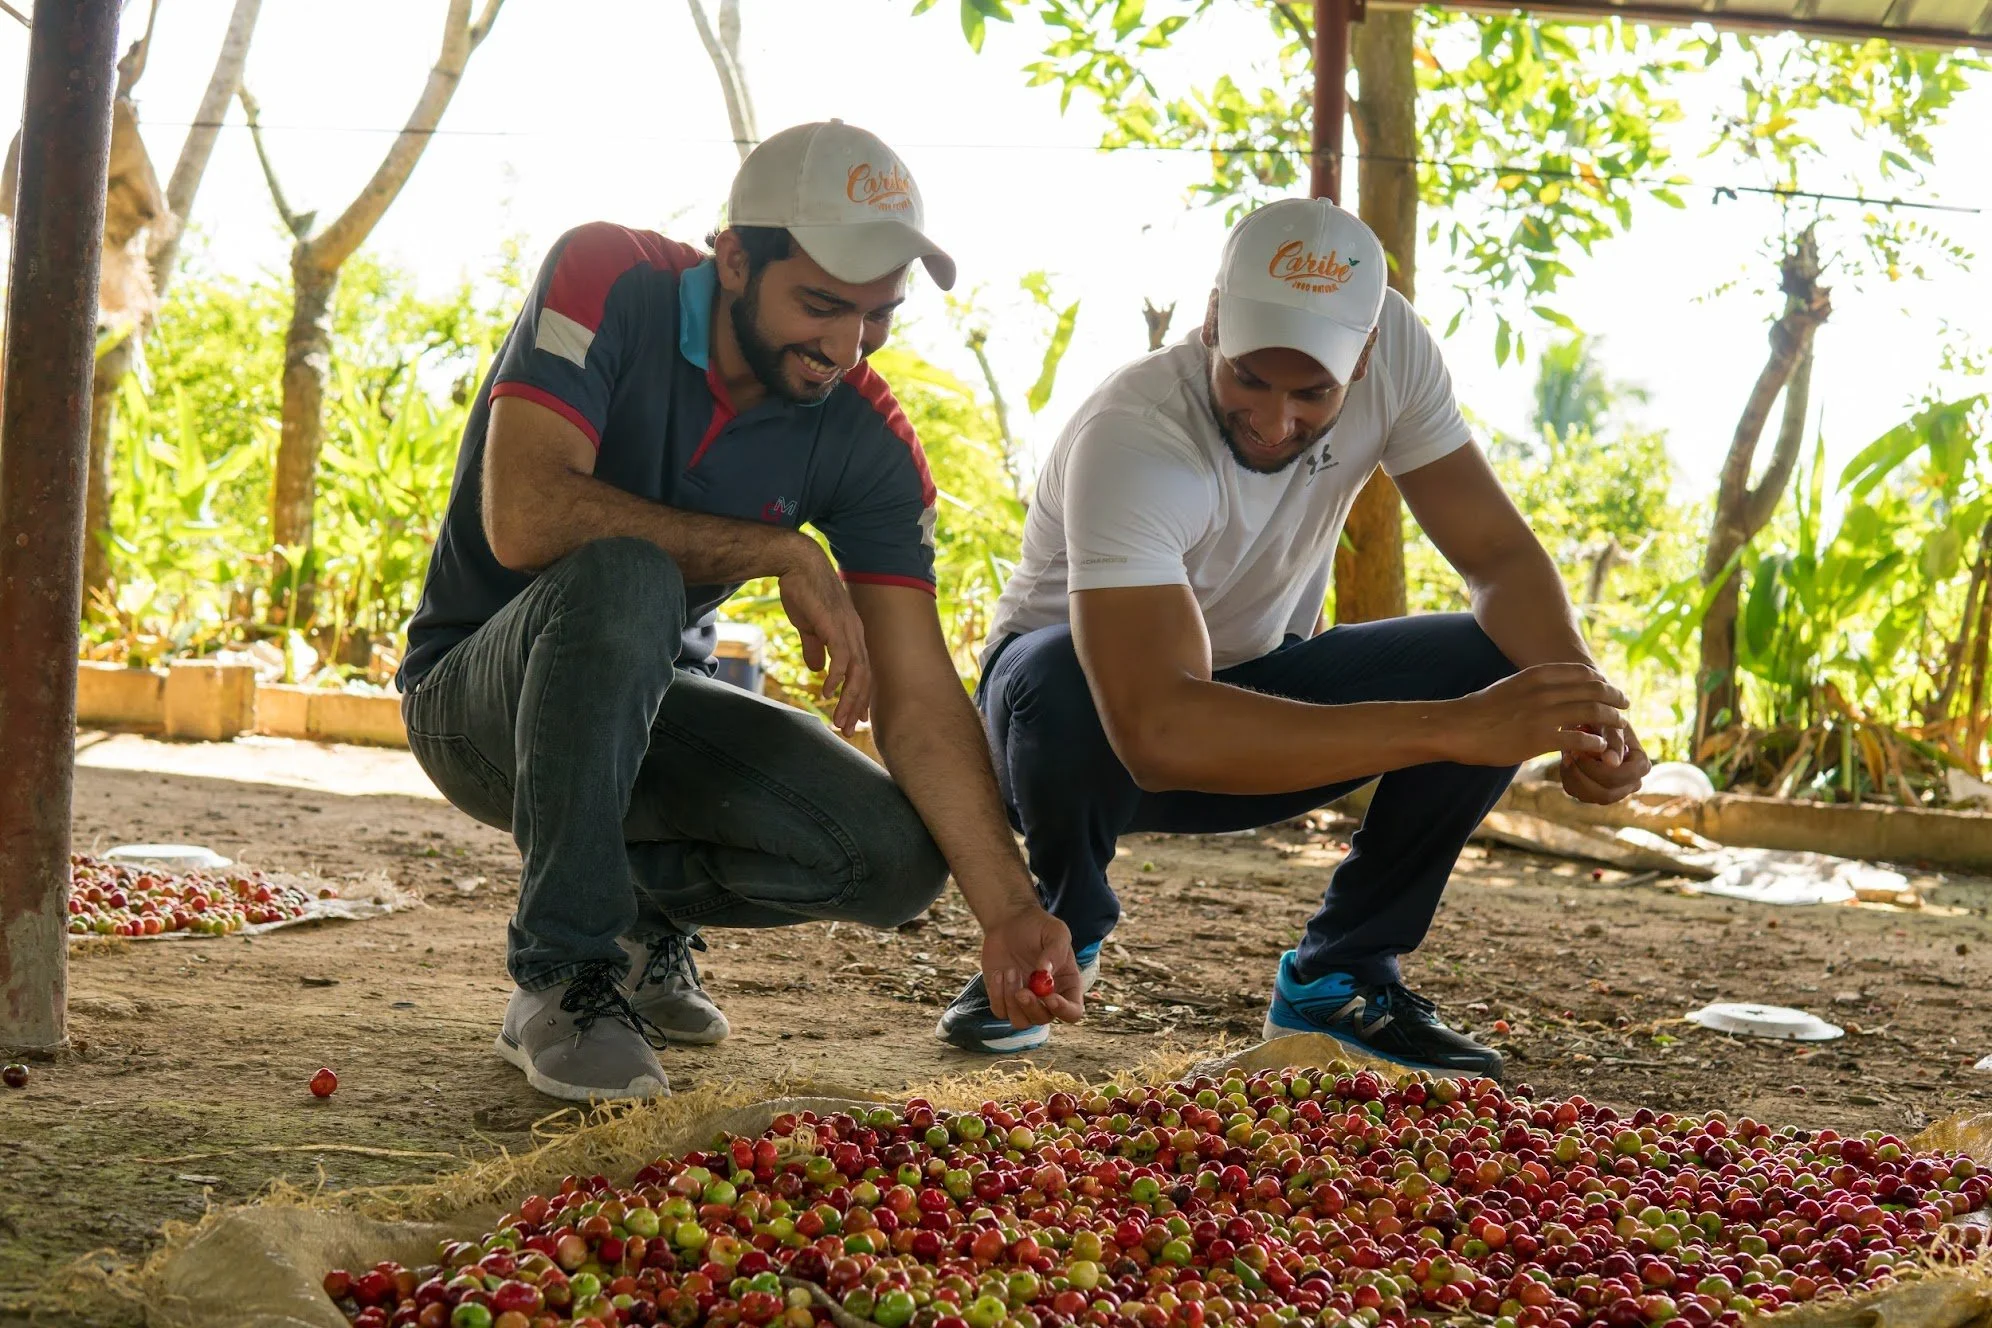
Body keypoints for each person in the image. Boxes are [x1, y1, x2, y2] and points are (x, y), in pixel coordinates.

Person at [400, 121, 1083, 1102]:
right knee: (625, 573)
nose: (846, 347)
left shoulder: (868, 441)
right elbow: (526, 512)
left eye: (877, 315)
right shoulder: (607, 276)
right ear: (733, 259)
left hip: (650, 709)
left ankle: (641, 920)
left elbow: (922, 695)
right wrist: (776, 549)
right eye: (819, 305)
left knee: (891, 859)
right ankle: (564, 974)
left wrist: (1011, 909)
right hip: (477, 701)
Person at [940, 198, 1651, 1074]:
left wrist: (1585, 709)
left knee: (1501, 660)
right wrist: (1461, 728)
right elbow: (1157, 734)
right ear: (1210, 324)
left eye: (1311, 393)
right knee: (1060, 671)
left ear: (1365, 356)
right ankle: (1056, 933)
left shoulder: (1399, 355)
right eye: (1248, 379)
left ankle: (1341, 976)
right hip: (1069, 740)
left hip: (1258, 703)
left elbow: (1499, 558)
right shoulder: (1135, 430)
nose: (1274, 423)